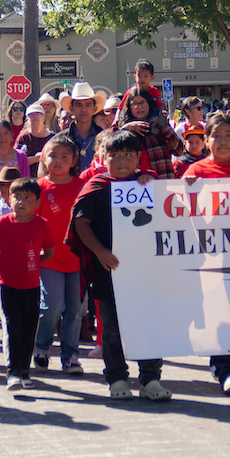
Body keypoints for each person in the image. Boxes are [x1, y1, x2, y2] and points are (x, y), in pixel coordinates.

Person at [70, 130, 171, 401]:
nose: (122, 160)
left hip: (145, 271)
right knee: (112, 329)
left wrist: (153, 183)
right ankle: (116, 377)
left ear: (139, 157)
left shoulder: (149, 184)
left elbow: (172, 214)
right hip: (109, 270)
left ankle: (150, 378)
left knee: (148, 325)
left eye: (129, 154)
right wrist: (100, 251)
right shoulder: (96, 185)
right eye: (115, 155)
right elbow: (80, 223)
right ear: (104, 157)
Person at [181, 112, 230, 395]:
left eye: (229, 136)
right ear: (206, 140)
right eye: (217, 136)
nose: (223, 141)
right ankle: (226, 369)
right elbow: (180, 212)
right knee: (220, 309)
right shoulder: (195, 173)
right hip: (210, 253)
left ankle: (228, 363)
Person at [0, 177, 54, 390]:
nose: (21, 202)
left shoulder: (42, 225)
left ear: (37, 203)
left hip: (31, 286)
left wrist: (35, 263)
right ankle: (12, 371)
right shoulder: (2, 223)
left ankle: (24, 370)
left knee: (29, 329)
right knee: (13, 327)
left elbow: (49, 251)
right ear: (8, 199)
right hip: (6, 285)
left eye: (28, 198)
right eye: (17, 197)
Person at [30, 133, 86, 375]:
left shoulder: (83, 186)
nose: (59, 161)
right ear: (43, 158)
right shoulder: (39, 188)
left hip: (77, 258)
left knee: (75, 310)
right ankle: (41, 347)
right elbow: (30, 222)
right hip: (49, 257)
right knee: (52, 305)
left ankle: (71, 356)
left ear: (74, 161)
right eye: (53, 155)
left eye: (65, 157)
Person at [117, 85, 184, 178]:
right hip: (134, 186)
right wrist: (124, 130)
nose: (139, 107)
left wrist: (163, 126)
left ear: (149, 104)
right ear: (129, 107)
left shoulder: (159, 125)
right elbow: (115, 158)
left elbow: (179, 151)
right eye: (134, 103)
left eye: (143, 103)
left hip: (161, 183)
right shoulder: (124, 128)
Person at [60, 82, 108, 171]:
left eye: (88, 105)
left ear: (95, 109)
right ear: (71, 109)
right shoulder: (60, 139)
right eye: (78, 105)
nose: (83, 109)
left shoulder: (105, 138)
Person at [15, 103, 52, 169]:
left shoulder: (52, 138)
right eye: (31, 115)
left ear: (44, 117)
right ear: (27, 119)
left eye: (38, 114)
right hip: (27, 177)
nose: (35, 116)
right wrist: (36, 159)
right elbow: (15, 161)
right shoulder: (23, 138)